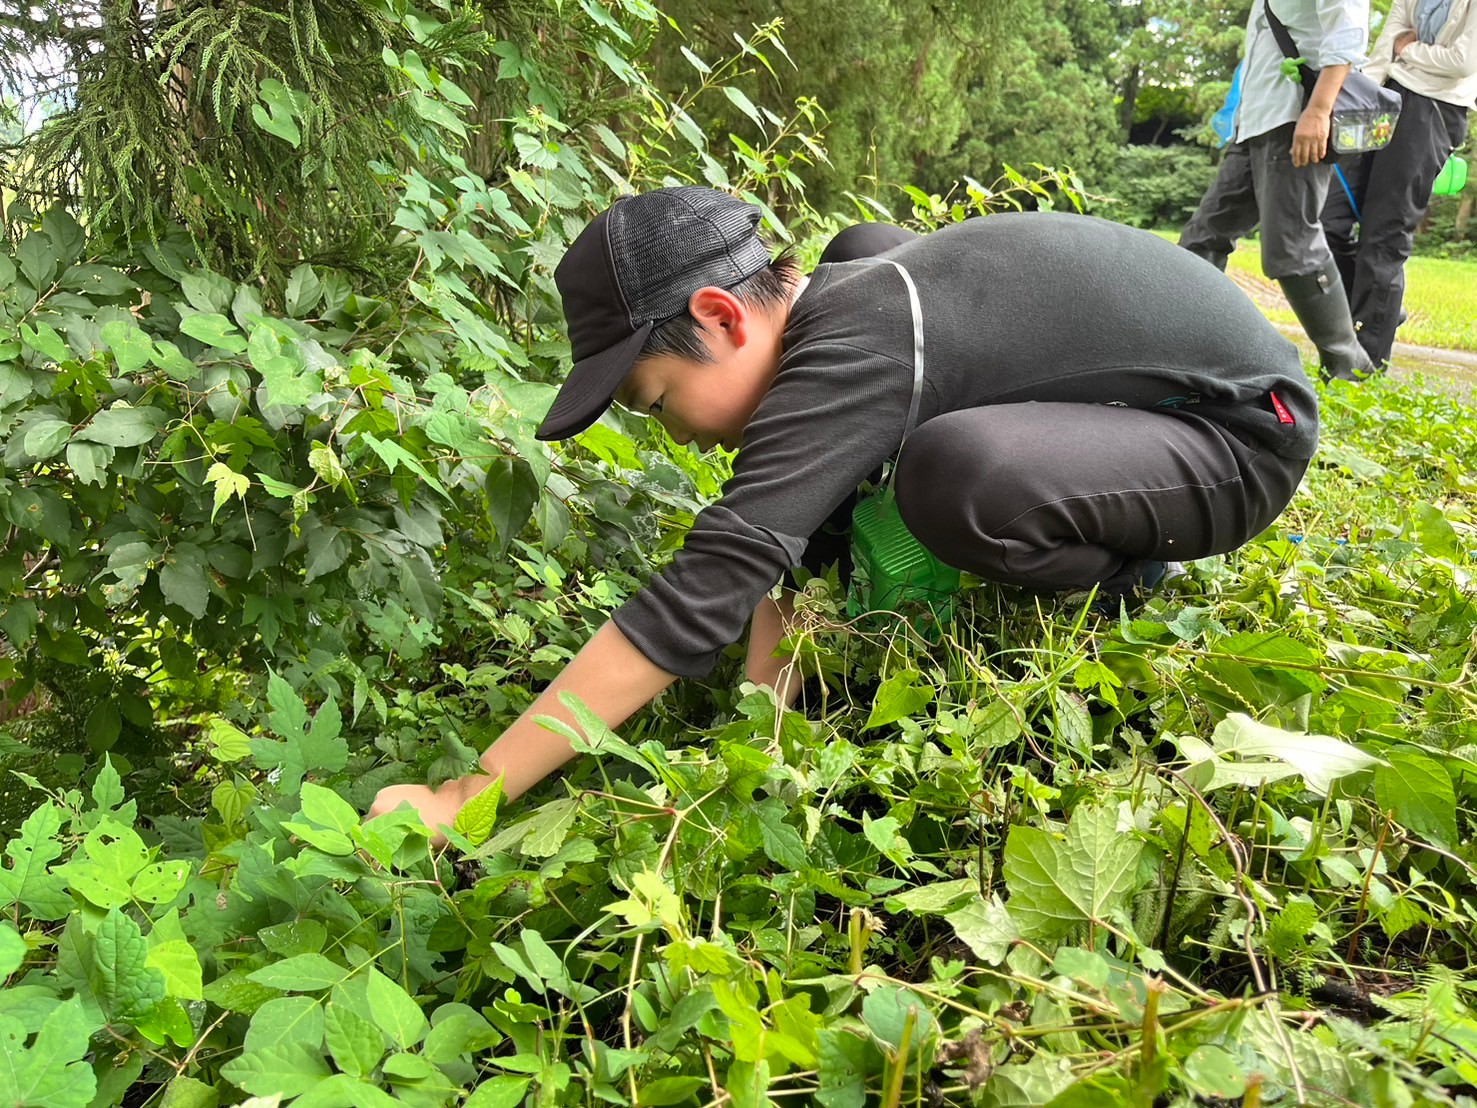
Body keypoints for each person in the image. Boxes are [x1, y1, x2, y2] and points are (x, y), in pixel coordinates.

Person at [368, 187, 1319, 835]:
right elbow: (782, 532)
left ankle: (1124, 574)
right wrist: (767, 708)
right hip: (1161, 405)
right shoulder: (845, 295)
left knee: (955, 477)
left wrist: (465, 795)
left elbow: (708, 585)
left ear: (722, 316)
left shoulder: (859, 342)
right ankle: (1079, 501)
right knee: (863, 249)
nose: (677, 436)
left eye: (656, 402)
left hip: (1238, 439)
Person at [1178, 0, 1377, 381]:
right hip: (1254, 124)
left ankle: (1350, 368)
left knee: (1292, 247)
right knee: (1203, 238)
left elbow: (1348, 31)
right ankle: (1184, 348)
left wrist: (1318, 111)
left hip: (1294, 120)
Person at [1322, 0, 1476, 370]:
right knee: (1327, 220)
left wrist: (1407, 50)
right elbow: (1386, 44)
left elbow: (1462, 62)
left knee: (1385, 234)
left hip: (1434, 109)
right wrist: (1357, 98)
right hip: (1381, 100)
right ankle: (1384, 308)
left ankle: (1364, 366)